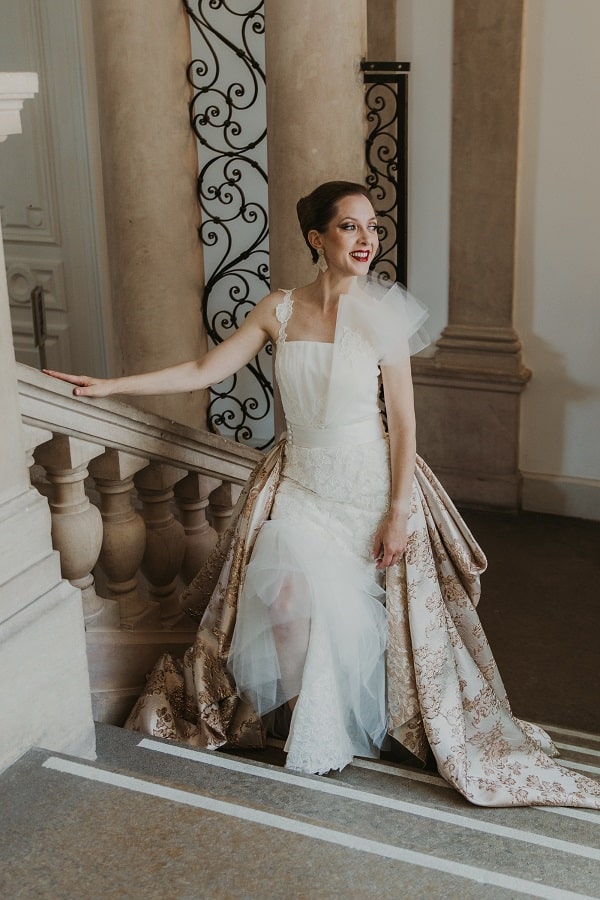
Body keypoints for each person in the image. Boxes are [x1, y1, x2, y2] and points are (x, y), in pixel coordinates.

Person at [45, 181, 600, 809]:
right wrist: (113, 385)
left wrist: (397, 512)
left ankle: (376, 728)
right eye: (350, 227)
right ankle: (314, 728)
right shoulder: (278, 309)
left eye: (372, 227)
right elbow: (205, 370)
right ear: (318, 238)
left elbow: (406, 424)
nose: (366, 239)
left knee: (376, 619)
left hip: (367, 484)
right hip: (302, 484)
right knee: (287, 596)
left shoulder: (383, 315)